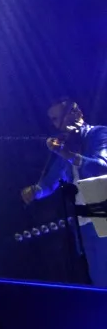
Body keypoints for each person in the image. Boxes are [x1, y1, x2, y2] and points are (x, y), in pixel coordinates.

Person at [19, 99, 107, 286]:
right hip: (83, 219)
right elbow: (53, 179)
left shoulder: (99, 133)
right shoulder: (68, 144)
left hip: (103, 211)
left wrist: (67, 154)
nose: (56, 125)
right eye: (53, 120)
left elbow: (101, 167)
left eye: (58, 118)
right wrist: (37, 190)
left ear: (76, 113)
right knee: (98, 278)